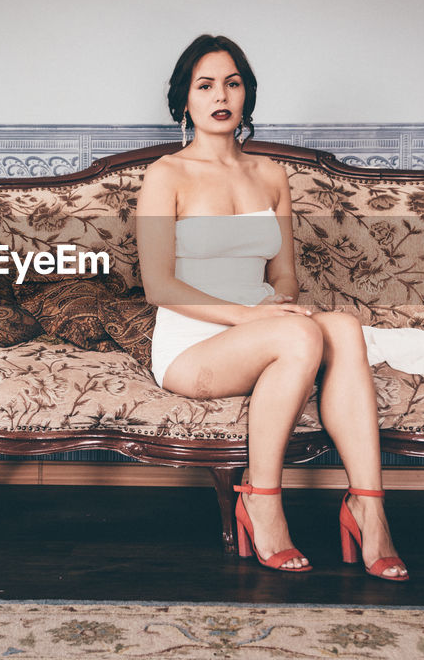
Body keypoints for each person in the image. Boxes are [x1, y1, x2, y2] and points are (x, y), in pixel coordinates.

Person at [135, 34, 408, 580]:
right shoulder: (167, 175)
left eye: (232, 83)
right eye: (205, 84)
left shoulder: (270, 175)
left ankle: (368, 507)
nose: (221, 95)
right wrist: (255, 318)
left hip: (262, 328)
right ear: (183, 100)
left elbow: (283, 277)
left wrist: (276, 310)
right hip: (192, 345)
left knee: (345, 328)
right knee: (301, 336)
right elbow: (159, 286)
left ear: (246, 96)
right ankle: (260, 499)